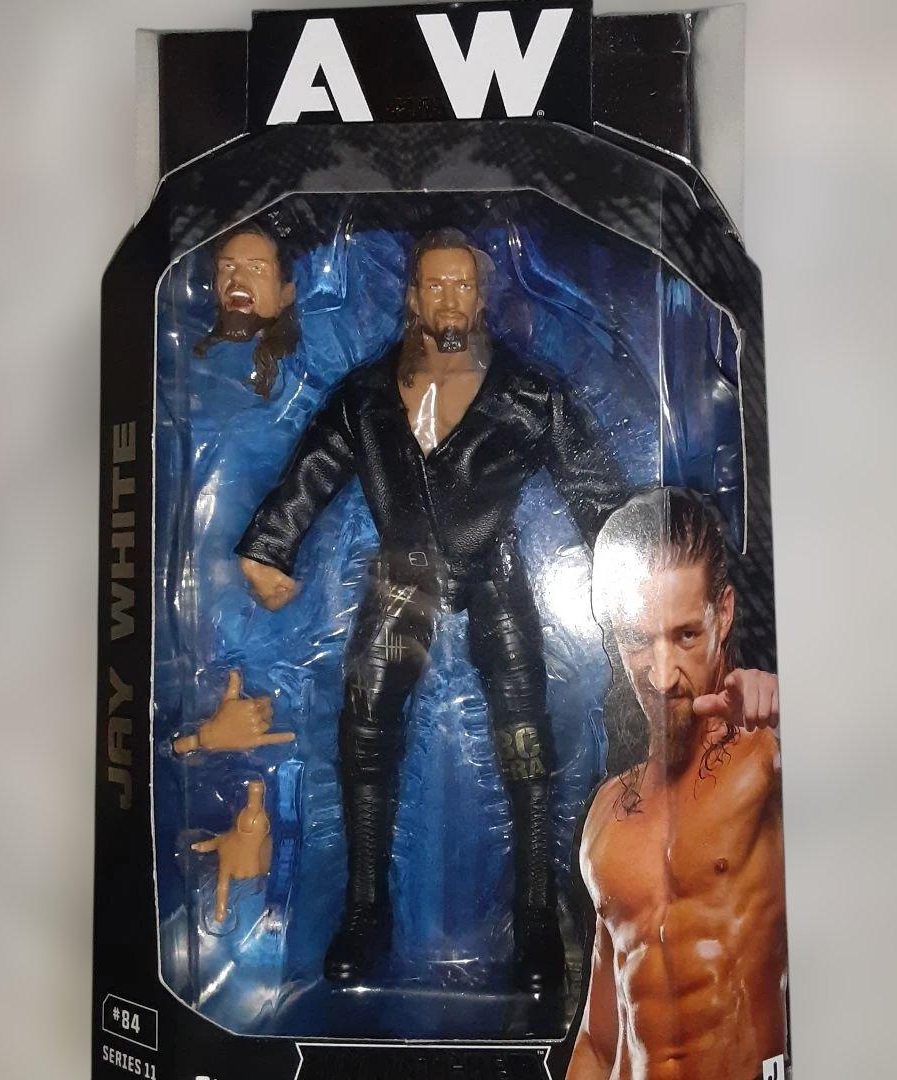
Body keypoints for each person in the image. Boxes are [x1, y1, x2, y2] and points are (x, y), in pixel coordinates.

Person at [234, 228, 629, 989]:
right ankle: (364, 910)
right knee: (365, 727)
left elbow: (593, 484)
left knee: (524, 734)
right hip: (401, 574)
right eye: (435, 285)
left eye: (463, 285)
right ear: (413, 296)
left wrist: (636, 564)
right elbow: (314, 466)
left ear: (482, 297)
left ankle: (537, 917)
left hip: (495, 570)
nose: (450, 299)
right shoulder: (366, 395)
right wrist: (271, 545)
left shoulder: (528, 393)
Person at [569, 487, 786, 1080]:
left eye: (685, 635)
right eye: (639, 640)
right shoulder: (608, 813)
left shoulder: (769, 760)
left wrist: (796, 714)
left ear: (724, 613)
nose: (662, 676)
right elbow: (597, 1042)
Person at [196, 220, 299, 398]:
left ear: (285, 294)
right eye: (228, 267)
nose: (237, 276)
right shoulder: (188, 347)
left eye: (256, 268)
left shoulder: (300, 367)